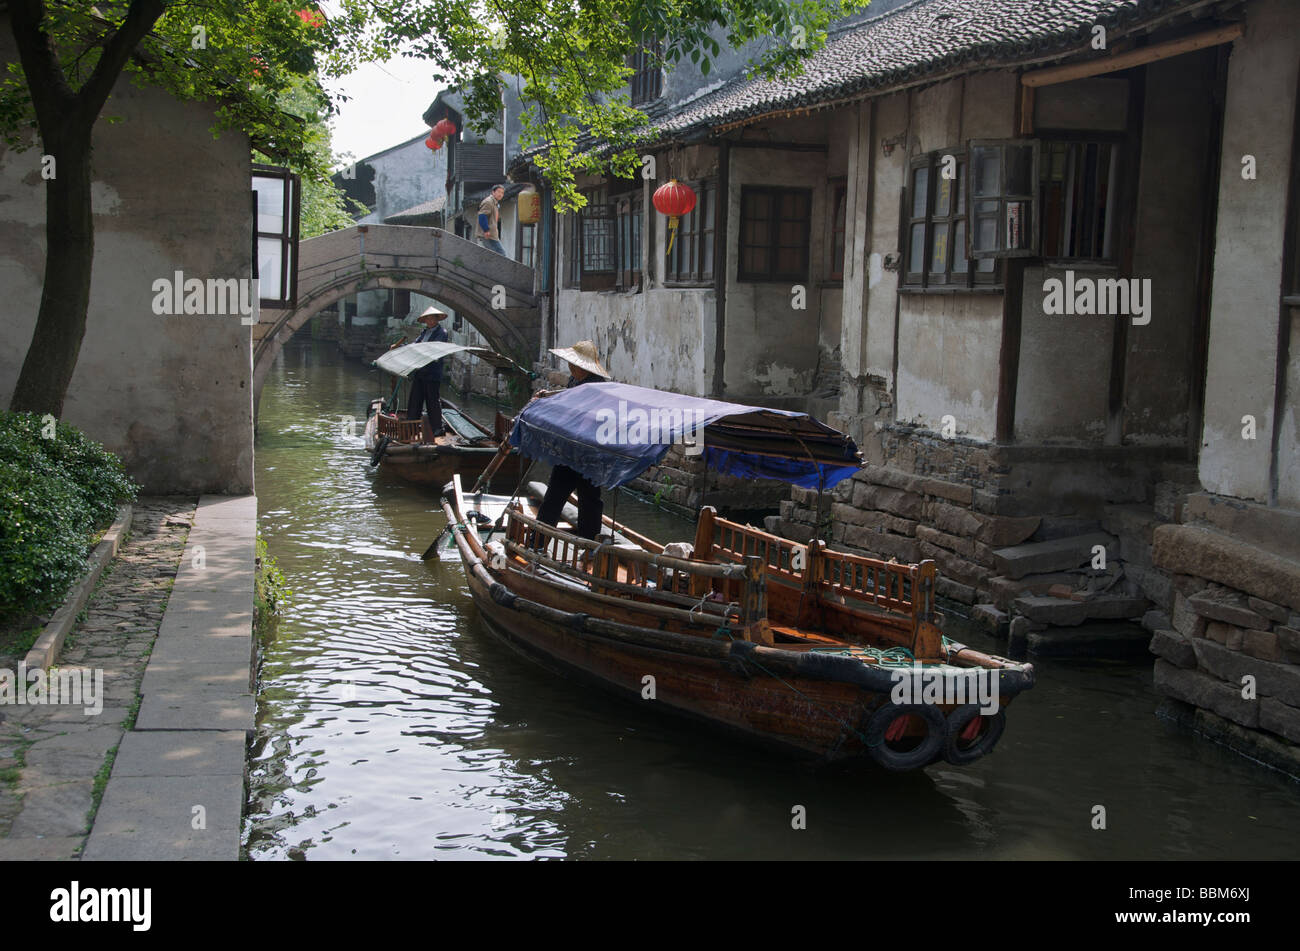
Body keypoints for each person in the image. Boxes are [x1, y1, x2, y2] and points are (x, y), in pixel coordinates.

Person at [535, 340, 611, 541]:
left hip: (589, 453)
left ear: (585, 367)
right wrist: (548, 397)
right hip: (568, 451)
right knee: (554, 496)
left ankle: (589, 546)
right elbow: (568, 397)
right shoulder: (574, 381)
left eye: (575, 366)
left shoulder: (598, 388)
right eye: (571, 364)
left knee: (590, 501)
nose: (571, 368)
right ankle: (539, 542)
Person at [404, 306, 449, 432]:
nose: (430, 321)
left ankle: (437, 428)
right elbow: (416, 345)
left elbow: (434, 349)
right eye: (428, 319)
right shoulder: (424, 332)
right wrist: (404, 348)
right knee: (415, 399)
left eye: (432, 318)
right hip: (420, 371)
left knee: (432, 401)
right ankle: (411, 425)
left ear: (436, 319)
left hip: (432, 373)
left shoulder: (442, 333)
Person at [477, 184, 508, 256]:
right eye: (499, 192)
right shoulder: (489, 202)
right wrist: (486, 230)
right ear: (493, 192)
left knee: (495, 254)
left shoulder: (494, 203)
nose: (500, 194)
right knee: (500, 254)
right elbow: (482, 216)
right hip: (488, 234)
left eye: (502, 193)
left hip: (492, 234)